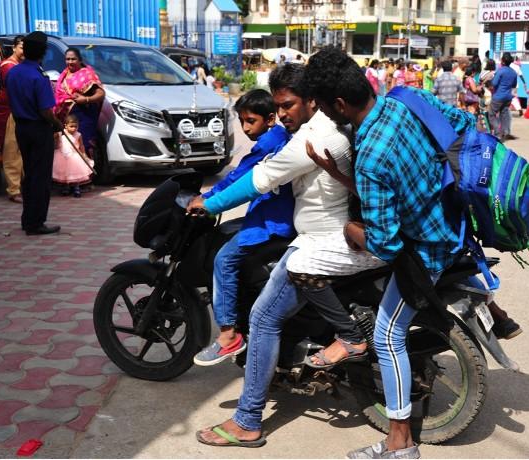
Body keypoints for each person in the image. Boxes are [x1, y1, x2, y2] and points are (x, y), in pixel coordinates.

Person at [303, 46, 476, 460]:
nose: (326, 117)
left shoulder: (372, 154)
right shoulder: (409, 99)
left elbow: (386, 243)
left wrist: (350, 230)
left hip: (428, 249)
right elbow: (463, 125)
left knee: (387, 334)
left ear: (341, 104)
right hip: (455, 222)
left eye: (326, 109)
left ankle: (401, 442)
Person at [191, 63, 360, 448]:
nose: (282, 114)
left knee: (263, 318)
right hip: (326, 233)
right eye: (279, 106)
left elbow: (259, 180)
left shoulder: (312, 139)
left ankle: (247, 420)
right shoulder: (323, 128)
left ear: (312, 101)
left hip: (320, 241)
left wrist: (212, 204)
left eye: (288, 105)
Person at [193, 89, 295, 366]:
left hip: (272, 222)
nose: (246, 127)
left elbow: (240, 179)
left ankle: (228, 335)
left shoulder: (269, 144)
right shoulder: (277, 137)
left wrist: (207, 199)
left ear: (271, 118)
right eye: (242, 121)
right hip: (271, 215)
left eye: (251, 121)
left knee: (223, 260)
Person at [6, 31, 63, 235]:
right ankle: (36, 222)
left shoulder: (13, 72)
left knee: (29, 174)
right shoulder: (39, 77)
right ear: (43, 53)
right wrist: (57, 124)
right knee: (40, 176)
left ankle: (27, 219)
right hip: (38, 128)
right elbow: (45, 110)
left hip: (21, 127)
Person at [0, 35, 25, 203]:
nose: (24, 51)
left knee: (22, 152)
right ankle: (14, 190)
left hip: (22, 112)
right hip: (11, 113)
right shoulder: (8, 66)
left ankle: (21, 186)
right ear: (14, 48)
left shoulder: (21, 66)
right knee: (12, 152)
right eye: (22, 48)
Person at [54, 48, 106, 158]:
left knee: (83, 146)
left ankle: (87, 174)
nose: (70, 62)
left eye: (73, 59)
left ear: (80, 60)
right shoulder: (64, 74)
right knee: (67, 148)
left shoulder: (87, 74)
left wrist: (86, 99)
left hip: (83, 118)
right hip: (66, 120)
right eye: (67, 59)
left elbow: (101, 94)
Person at [52, 114, 93, 197]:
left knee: (76, 173)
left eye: (76, 126)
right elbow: (53, 141)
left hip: (74, 156)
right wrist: (56, 136)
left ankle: (76, 188)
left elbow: (81, 145)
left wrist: (84, 154)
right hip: (62, 156)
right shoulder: (61, 134)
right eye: (71, 126)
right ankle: (66, 187)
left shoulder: (78, 135)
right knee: (65, 173)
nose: (74, 128)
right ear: (65, 126)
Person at [490, 52, 517, 140]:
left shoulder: (500, 71)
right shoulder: (513, 72)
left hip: (498, 96)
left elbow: (494, 83)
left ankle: (498, 132)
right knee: (504, 114)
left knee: (492, 114)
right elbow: (514, 85)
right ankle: (505, 132)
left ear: (502, 61)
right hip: (508, 97)